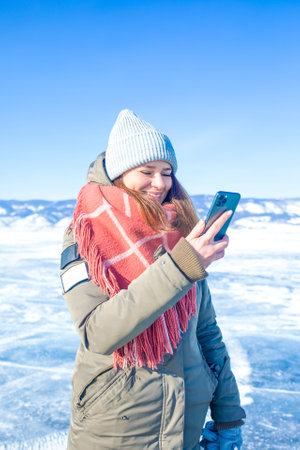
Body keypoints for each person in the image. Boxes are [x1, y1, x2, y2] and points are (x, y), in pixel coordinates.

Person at [60, 109, 246, 449]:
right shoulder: (87, 233)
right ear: (120, 172)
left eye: (167, 172)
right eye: (147, 171)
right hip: (116, 430)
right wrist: (181, 267)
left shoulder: (179, 234)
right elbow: (97, 333)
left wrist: (229, 416)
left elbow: (206, 332)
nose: (160, 184)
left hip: (186, 421)